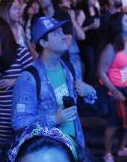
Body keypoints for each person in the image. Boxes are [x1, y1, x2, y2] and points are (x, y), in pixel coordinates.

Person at [12, 16, 97, 147]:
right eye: (56, 33)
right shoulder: (29, 78)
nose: (64, 36)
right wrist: (55, 119)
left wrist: (90, 92)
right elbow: (19, 123)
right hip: (50, 151)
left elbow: (80, 101)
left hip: (75, 144)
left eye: (62, 32)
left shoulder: (69, 67)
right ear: (44, 43)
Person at [96, 12, 127, 162]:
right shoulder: (111, 47)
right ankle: (107, 153)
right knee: (113, 125)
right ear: (118, 25)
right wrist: (114, 90)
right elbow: (101, 71)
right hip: (114, 91)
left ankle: (121, 148)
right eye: (126, 20)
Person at [0, 16, 34, 146]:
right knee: (4, 148)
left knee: (23, 146)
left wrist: (15, 81)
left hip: (19, 110)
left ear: (1, 29)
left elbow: (35, 75)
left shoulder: (20, 52)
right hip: (0, 112)